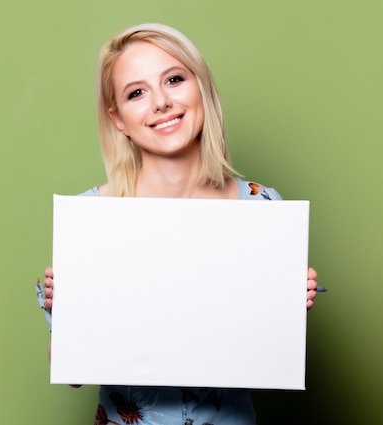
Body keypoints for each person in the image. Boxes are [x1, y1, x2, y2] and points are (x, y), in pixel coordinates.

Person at [36, 22, 320, 425]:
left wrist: (288, 304)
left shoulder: (261, 208)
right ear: (118, 119)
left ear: (200, 88)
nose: (161, 102)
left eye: (174, 79)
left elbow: (273, 354)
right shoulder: (92, 218)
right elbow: (73, 376)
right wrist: (70, 314)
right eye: (137, 92)